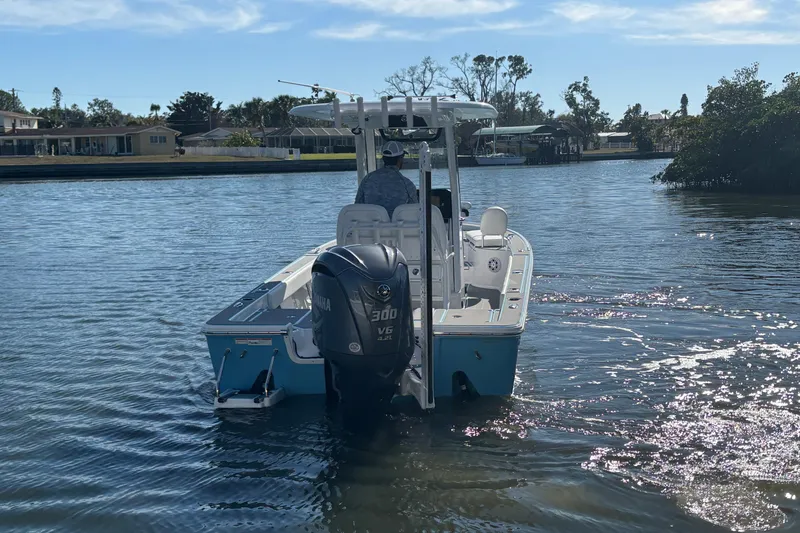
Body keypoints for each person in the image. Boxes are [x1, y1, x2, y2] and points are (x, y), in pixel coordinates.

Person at [354, 141, 417, 218]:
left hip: (370, 228)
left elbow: (357, 207)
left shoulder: (367, 180)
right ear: (400, 159)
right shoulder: (407, 185)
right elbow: (415, 212)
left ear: (383, 159)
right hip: (398, 229)